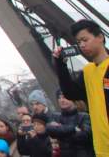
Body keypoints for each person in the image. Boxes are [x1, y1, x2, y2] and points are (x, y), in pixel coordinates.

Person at [53, 20, 109, 157]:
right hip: (101, 147)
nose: (82, 45)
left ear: (100, 37)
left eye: (85, 40)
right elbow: (71, 93)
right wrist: (60, 65)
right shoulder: (88, 71)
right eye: (79, 42)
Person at [46, 91, 93, 157]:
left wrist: (60, 131)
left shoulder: (84, 116)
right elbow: (49, 130)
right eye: (59, 98)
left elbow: (84, 136)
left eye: (64, 97)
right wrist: (74, 129)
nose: (61, 100)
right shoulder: (55, 116)